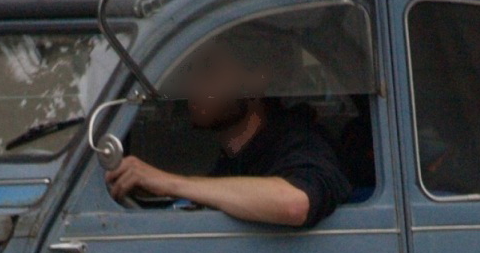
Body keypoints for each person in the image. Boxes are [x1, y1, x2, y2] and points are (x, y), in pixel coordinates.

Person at [104, 26, 351, 228]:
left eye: (209, 69)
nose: (193, 84)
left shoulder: (300, 141)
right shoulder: (232, 161)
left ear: (256, 80)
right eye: (190, 71)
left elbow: (295, 203)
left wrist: (169, 183)